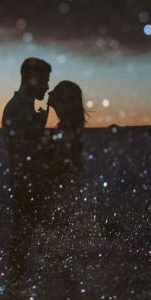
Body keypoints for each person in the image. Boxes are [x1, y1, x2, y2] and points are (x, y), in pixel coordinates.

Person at [1, 57, 51, 292]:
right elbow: (24, 152)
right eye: (45, 81)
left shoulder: (25, 108)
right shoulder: (17, 109)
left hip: (31, 184)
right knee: (22, 244)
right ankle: (15, 295)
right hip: (25, 186)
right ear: (32, 80)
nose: (47, 87)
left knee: (26, 242)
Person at [42, 81, 87, 227]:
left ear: (64, 100)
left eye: (55, 91)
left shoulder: (66, 130)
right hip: (64, 191)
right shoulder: (68, 127)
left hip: (62, 192)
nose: (49, 93)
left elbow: (58, 164)